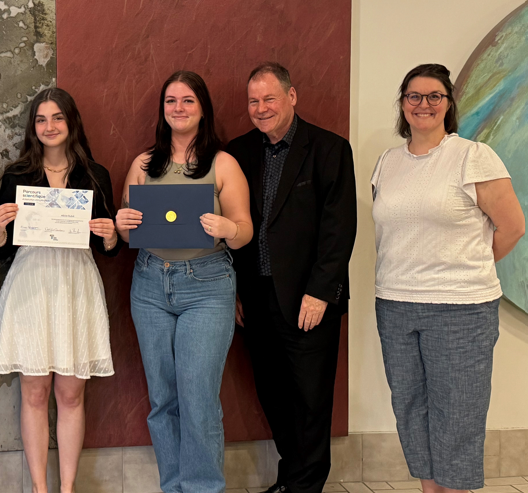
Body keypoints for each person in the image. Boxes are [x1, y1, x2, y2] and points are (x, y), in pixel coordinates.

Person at [371, 64, 524, 493]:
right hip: (396, 305)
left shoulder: (473, 157)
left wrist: (465, 265)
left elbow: (511, 227)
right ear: (402, 104)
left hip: (461, 309)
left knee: (457, 418)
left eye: (434, 96)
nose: (424, 104)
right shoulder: (387, 163)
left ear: (448, 104)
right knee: (410, 409)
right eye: (414, 96)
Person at [115, 70, 254, 493]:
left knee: (198, 401)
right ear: (163, 110)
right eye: (171, 101)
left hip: (207, 287)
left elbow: (245, 229)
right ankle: (173, 487)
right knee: (163, 400)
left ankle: (203, 488)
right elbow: (127, 229)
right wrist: (121, 224)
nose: (178, 108)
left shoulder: (223, 163)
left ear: (203, 109)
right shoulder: (143, 164)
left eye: (188, 100)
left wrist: (227, 227)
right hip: (150, 284)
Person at [226, 62, 357, 493]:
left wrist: (321, 293)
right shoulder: (238, 152)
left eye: (270, 98)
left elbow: (339, 230)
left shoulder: (330, 148)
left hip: (308, 299)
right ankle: (293, 477)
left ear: (292, 97)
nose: (261, 108)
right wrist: (237, 292)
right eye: (253, 101)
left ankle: (305, 486)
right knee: (274, 395)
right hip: (258, 298)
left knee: (311, 400)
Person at [0, 87, 122, 493]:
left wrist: (111, 234)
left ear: (71, 123)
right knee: (33, 392)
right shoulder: (15, 176)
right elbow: (1, 252)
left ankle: (67, 488)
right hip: (31, 285)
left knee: (70, 393)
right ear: (32, 127)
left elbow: (107, 249)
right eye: (41, 119)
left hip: (75, 287)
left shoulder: (95, 175)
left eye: (57, 118)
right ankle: (39, 488)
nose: (49, 126)